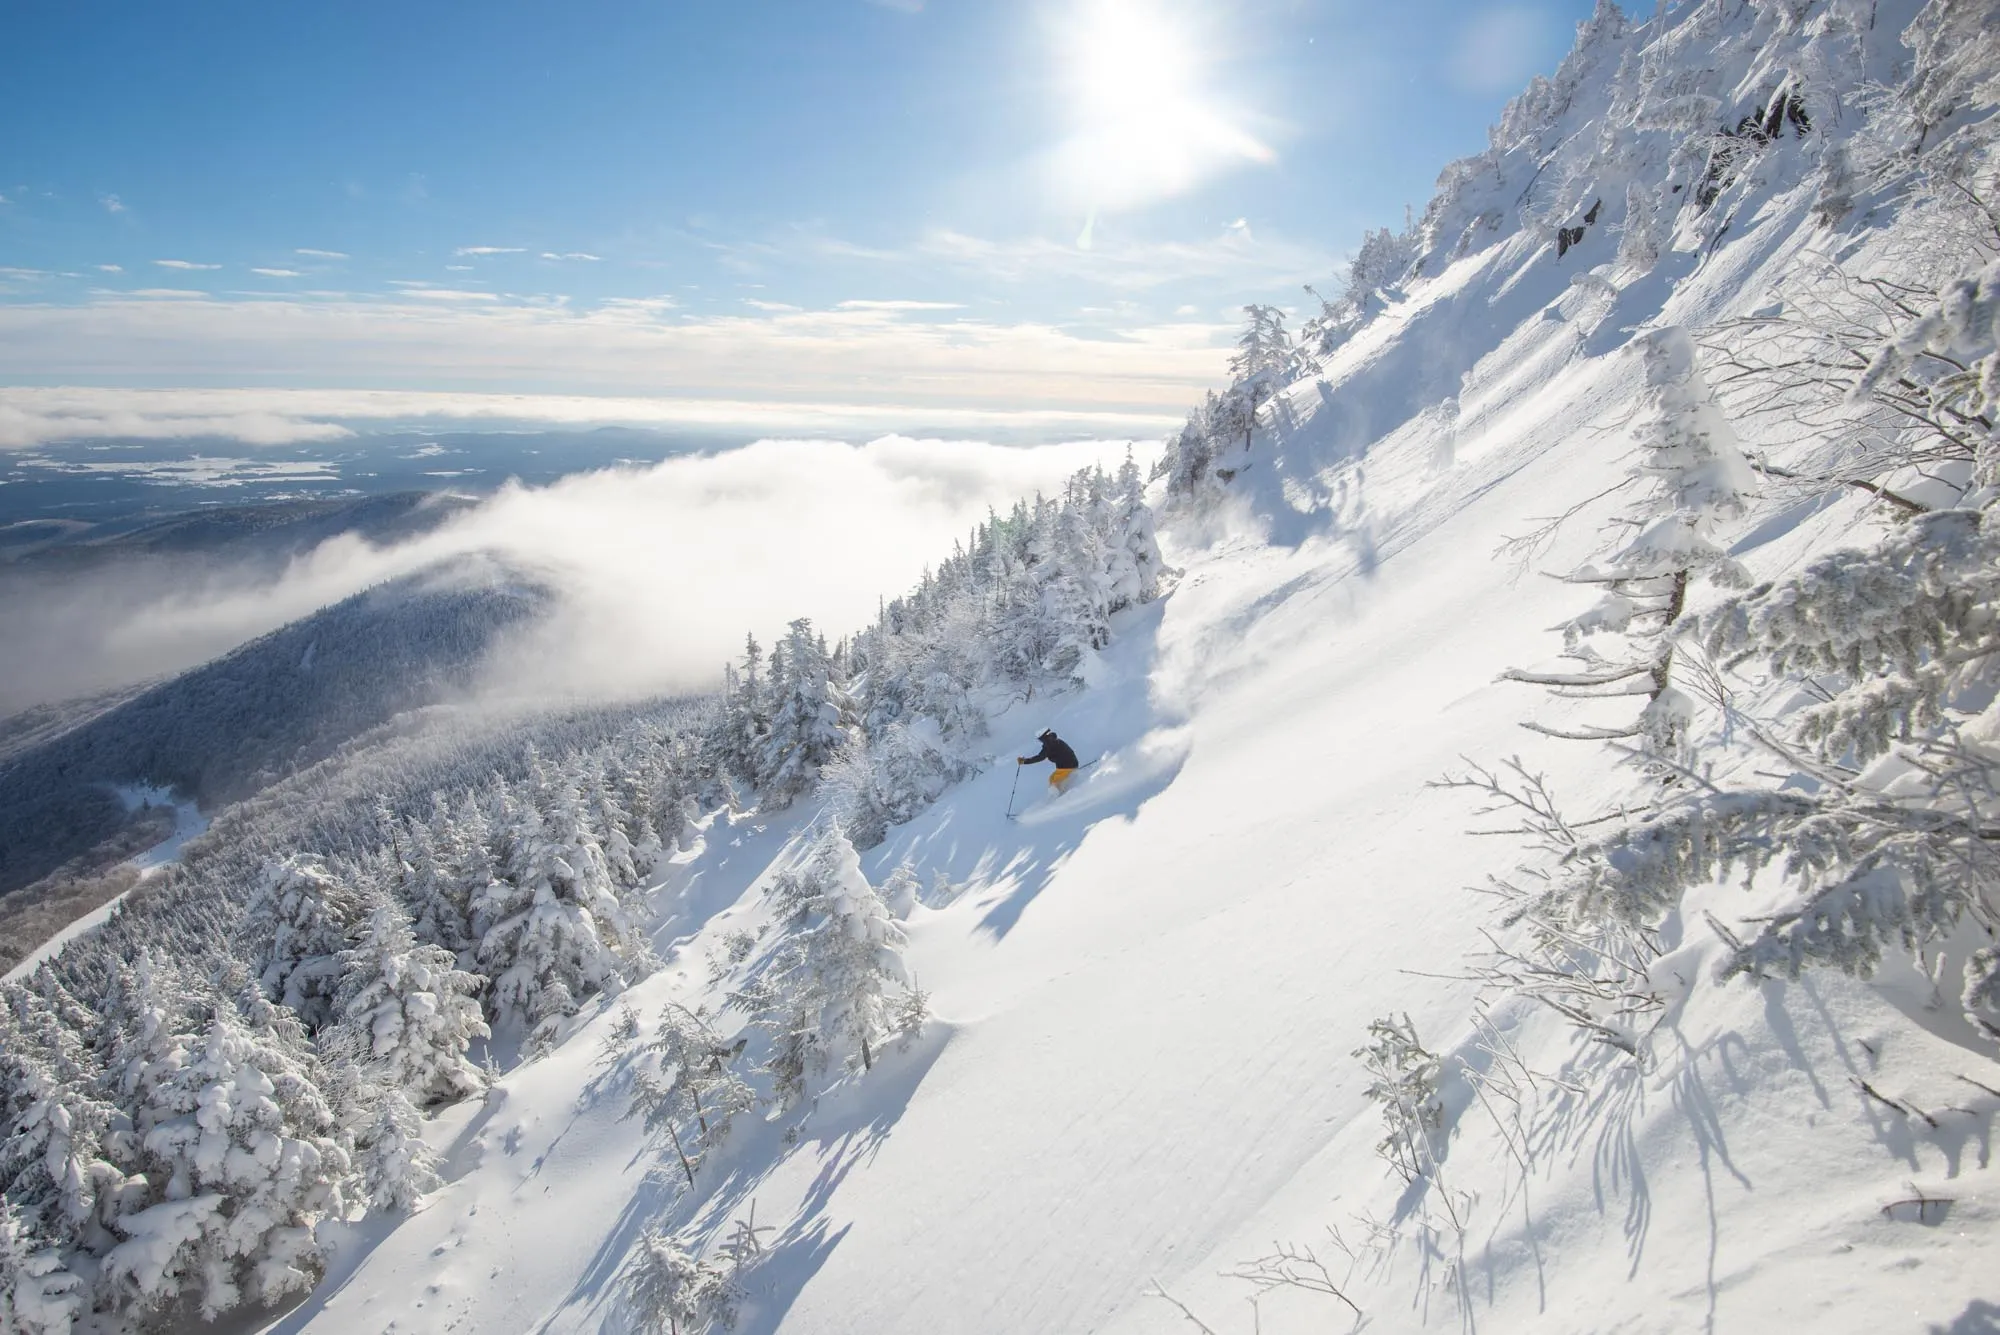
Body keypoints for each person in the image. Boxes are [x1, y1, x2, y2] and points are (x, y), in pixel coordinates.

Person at [1017, 729, 1081, 794]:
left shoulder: (1049, 744)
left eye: (1040, 739)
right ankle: (1059, 790)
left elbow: (1040, 757)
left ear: (1043, 737)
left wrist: (1025, 761)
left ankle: (1059, 794)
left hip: (1067, 767)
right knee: (1052, 778)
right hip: (1068, 764)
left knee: (1055, 781)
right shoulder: (1053, 740)